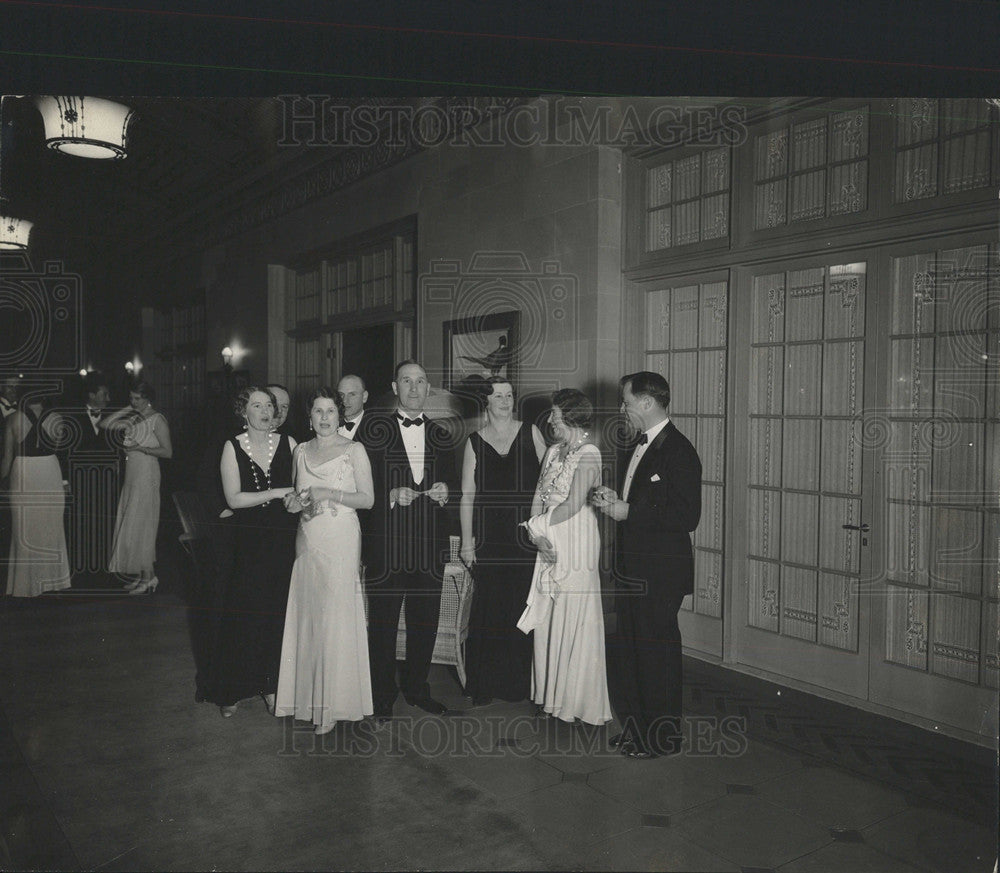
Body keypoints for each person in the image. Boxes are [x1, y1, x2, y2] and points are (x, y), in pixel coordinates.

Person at [592, 371, 701, 758]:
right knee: (633, 652)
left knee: (657, 656)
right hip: (632, 569)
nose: (622, 409)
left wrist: (628, 512)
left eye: (626, 402)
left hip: (660, 574)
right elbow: (639, 502)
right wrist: (614, 500)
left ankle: (664, 739)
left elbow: (687, 518)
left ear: (647, 403)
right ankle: (638, 730)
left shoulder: (680, 451)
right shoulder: (636, 445)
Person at [356, 360, 458, 719]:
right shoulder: (373, 429)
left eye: (420, 382)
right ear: (395, 387)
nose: (414, 388)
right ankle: (381, 696)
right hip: (388, 544)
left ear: (428, 389)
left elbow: (457, 487)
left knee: (425, 621)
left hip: (430, 546)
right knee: (382, 623)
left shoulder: (442, 434)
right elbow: (357, 485)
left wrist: (448, 491)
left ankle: (417, 689)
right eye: (406, 381)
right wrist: (388, 494)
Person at [276, 388, 375, 733]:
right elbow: (299, 497)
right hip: (307, 538)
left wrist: (328, 493)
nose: (324, 417)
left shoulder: (354, 450)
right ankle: (308, 699)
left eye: (330, 411)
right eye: (317, 411)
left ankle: (333, 707)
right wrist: (295, 503)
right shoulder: (300, 451)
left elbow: (368, 499)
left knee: (335, 616)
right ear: (309, 417)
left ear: (340, 415)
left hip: (341, 537)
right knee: (310, 615)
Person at [519, 388, 611, 726]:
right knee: (549, 614)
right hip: (548, 532)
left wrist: (541, 525)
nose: (551, 419)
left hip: (577, 538)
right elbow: (538, 493)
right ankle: (550, 697)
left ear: (571, 416)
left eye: (556, 414)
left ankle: (573, 702)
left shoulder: (589, 454)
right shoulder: (554, 451)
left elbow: (573, 504)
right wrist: (535, 532)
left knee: (574, 612)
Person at [208, 386, 297, 718]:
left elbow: (299, 491)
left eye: (268, 406)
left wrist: (294, 499)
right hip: (248, 544)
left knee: (277, 615)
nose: (264, 411)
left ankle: (272, 686)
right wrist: (277, 492)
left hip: (284, 541)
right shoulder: (231, 447)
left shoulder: (289, 443)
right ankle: (232, 689)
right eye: (256, 405)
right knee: (246, 617)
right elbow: (233, 499)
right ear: (243, 412)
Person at [459, 377, 545, 705]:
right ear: (487, 401)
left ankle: (522, 686)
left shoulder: (531, 433)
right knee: (491, 609)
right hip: (490, 539)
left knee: (522, 607)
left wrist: (545, 529)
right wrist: (468, 543)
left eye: (509, 395)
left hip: (526, 536)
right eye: (499, 396)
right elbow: (467, 496)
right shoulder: (474, 442)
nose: (506, 401)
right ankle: (489, 685)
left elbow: (549, 481)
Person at [102, 382, 172, 595]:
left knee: (143, 525)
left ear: (147, 398)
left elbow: (168, 452)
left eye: (137, 399)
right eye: (131, 398)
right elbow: (105, 424)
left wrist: (141, 448)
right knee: (134, 524)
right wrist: (127, 409)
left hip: (147, 474)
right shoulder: (132, 418)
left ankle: (149, 578)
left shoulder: (157, 419)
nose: (134, 402)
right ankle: (145, 576)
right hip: (132, 475)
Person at [2, 389, 71, 596]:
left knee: (24, 529)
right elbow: (59, 450)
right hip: (49, 470)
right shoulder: (57, 418)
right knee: (50, 529)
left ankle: (25, 586)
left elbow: (5, 462)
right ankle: (52, 582)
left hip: (24, 472)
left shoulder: (13, 419)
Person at [64, 375, 120, 578]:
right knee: (81, 521)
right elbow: (65, 450)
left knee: (105, 521)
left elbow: (119, 448)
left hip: (107, 482)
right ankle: (81, 565)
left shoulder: (114, 415)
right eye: (104, 394)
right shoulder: (72, 416)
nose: (108, 398)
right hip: (80, 481)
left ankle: (104, 566)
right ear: (92, 395)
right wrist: (65, 480)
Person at [336, 374, 367, 440]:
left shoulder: (376, 428)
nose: (345, 400)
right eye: (341, 395)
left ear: (364, 397)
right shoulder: (330, 424)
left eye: (352, 394)